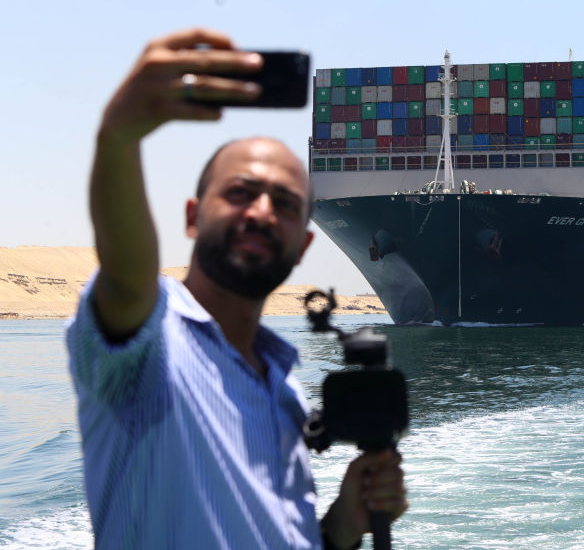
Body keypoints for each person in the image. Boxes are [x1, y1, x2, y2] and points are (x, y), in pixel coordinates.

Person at [66, 28, 407, 549]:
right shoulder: (149, 347)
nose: (262, 212)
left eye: (285, 204)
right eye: (241, 192)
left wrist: (340, 527)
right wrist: (119, 136)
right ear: (192, 217)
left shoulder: (285, 394)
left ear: (303, 245)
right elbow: (126, 276)